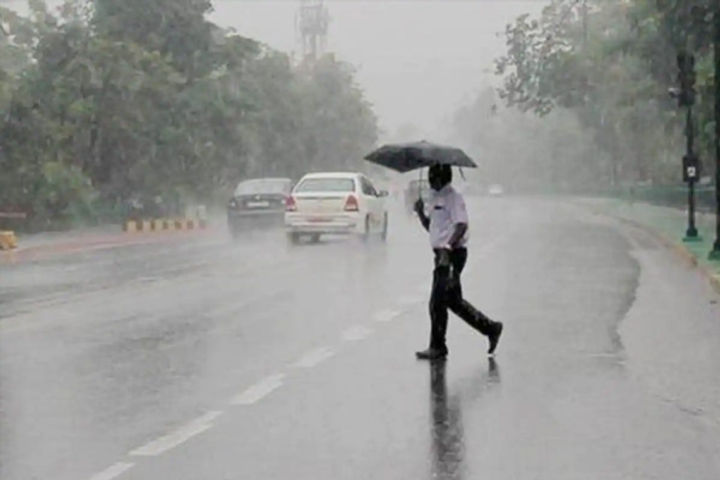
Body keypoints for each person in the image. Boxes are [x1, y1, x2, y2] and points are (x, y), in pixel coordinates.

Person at [414, 164, 503, 360]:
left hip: (452, 254)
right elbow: (434, 229)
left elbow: (461, 225)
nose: (429, 178)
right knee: (453, 301)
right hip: (441, 254)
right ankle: (491, 328)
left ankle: (438, 346)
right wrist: (421, 213)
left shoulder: (454, 198)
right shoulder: (436, 198)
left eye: (432, 174)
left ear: (441, 176)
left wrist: (448, 246)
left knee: (437, 302)